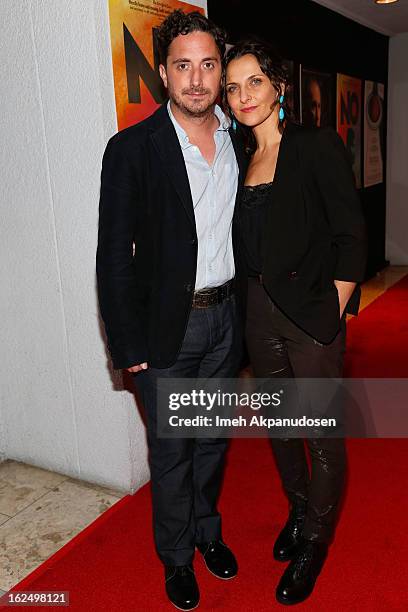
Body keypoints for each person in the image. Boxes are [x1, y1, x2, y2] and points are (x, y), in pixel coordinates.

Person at [96, 9, 247, 611]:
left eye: (208, 65)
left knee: (212, 442)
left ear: (220, 72)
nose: (196, 78)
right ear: (163, 73)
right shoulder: (132, 148)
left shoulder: (242, 137)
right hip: (168, 328)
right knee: (172, 449)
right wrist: (126, 345)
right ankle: (177, 556)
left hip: (226, 320)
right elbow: (113, 255)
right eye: (183, 65)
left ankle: (209, 533)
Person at [223, 40, 367, 605]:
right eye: (233, 87)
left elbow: (351, 236)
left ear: (278, 86)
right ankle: (300, 511)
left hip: (309, 313)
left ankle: (315, 542)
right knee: (281, 426)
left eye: (253, 82)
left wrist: (331, 308)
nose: (242, 95)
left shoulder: (312, 146)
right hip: (256, 312)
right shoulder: (239, 158)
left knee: (324, 435)